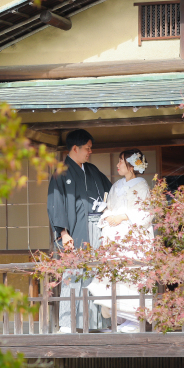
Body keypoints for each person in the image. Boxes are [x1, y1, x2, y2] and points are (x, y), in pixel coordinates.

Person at [47, 129, 112, 332]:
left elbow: (111, 191)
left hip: (97, 229)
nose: (90, 152)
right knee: (73, 274)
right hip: (74, 232)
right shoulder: (61, 172)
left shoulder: (92, 170)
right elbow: (55, 203)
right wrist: (63, 233)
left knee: (95, 274)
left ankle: (95, 323)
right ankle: (67, 323)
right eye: (87, 148)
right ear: (75, 148)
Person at [88, 148, 154, 333]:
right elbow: (109, 207)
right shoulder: (116, 186)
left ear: (131, 165)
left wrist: (123, 217)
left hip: (132, 238)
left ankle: (134, 322)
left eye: (121, 161)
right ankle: (119, 321)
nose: (118, 165)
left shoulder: (141, 185)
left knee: (131, 277)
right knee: (115, 277)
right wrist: (108, 217)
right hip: (116, 238)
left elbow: (145, 213)